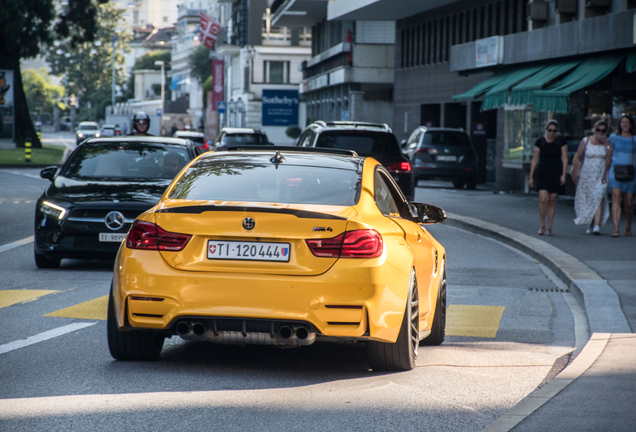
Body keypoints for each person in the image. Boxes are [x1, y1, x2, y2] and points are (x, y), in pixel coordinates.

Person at [529, 120, 568, 236]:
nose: (552, 133)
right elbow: (535, 159)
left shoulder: (561, 142)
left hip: (555, 172)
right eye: (550, 130)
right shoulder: (540, 142)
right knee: (543, 198)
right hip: (542, 172)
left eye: (554, 131)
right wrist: (531, 176)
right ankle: (542, 225)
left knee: (552, 199)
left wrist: (564, 174)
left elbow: (564, 158)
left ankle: (549, 227)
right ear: (546, 130)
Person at [572, 120, 612, 235]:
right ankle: (590, 223)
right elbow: (578, 157)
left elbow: (609, 157)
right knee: (590, 199)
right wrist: (574, 171)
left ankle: (596, 226)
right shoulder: (586, 141)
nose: (600, 133)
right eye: (598, 130)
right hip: (587, 173)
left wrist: (605, 142)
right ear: (594, 130)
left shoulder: (607, 144)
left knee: (598, 197)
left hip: (600, 174)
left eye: (603, 131)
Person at [608, 115, 636, 237]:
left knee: (629, 203)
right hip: (615, 170)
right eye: (622, 122)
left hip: (630, 171)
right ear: (619, 124)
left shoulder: (634, 139)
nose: (624, 124)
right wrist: (604, 172)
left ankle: (628, 224)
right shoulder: (614, 138)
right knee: (616, 197)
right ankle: (616, 228)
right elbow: (609, 156)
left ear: (631, 124)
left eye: (627, 122)